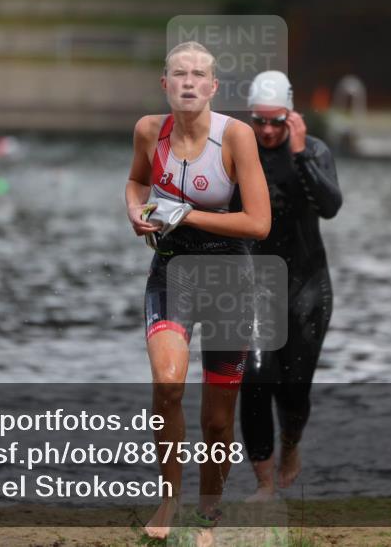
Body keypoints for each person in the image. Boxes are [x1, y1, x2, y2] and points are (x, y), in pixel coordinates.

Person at [125, 41, 271, 545]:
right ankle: (170, 497)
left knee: (215, 419)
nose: (188, 82)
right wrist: (134, 212)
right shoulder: (149, 130)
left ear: (213, 87)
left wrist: (186, 214)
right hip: (172, 273)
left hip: (231, 280)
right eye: (179, 74)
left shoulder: (237, 137)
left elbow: (258, 223)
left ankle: (209, 515)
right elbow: (135, 183)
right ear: (165, 85)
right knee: (167, 384)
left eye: (198, 75)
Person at [236, 71, 342, 501]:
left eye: (275, 121)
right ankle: (263, 484)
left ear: (291, 116)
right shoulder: (238, 151)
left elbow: (331, 206)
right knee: (257, 378)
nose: (265, 130)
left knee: (295, 388)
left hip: (307, 286)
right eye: (258, 121)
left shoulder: (314, 151)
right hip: (254, 287)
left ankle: (292, 443)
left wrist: (300, 157)